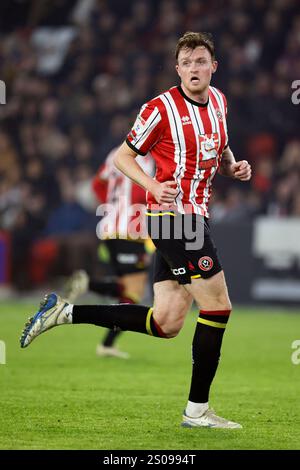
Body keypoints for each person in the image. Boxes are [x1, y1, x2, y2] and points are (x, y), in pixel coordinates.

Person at [20, 32, 251, 429]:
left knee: (167, 323)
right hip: (177, 220)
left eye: (201, 61)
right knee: (218, 306)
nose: (194, 68)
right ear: (177, 69)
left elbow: (221, 143)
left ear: (214, 66)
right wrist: (153, 185)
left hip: (192, 217)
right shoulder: (160, 108)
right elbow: (125, 156)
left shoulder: (220, 102)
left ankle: (64, 312)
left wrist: (231, 166)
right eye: (187, 62)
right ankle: (197, 411)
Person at [63, 146, 154, 359]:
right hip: (130, 231)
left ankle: (106, 343)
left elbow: (97, 184)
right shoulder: (146, 160)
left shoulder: (114, 152)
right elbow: (144, 193)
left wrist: (113, 207)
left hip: (109, 228)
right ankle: (88, 286)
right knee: (133, 293)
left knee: (125, 289)